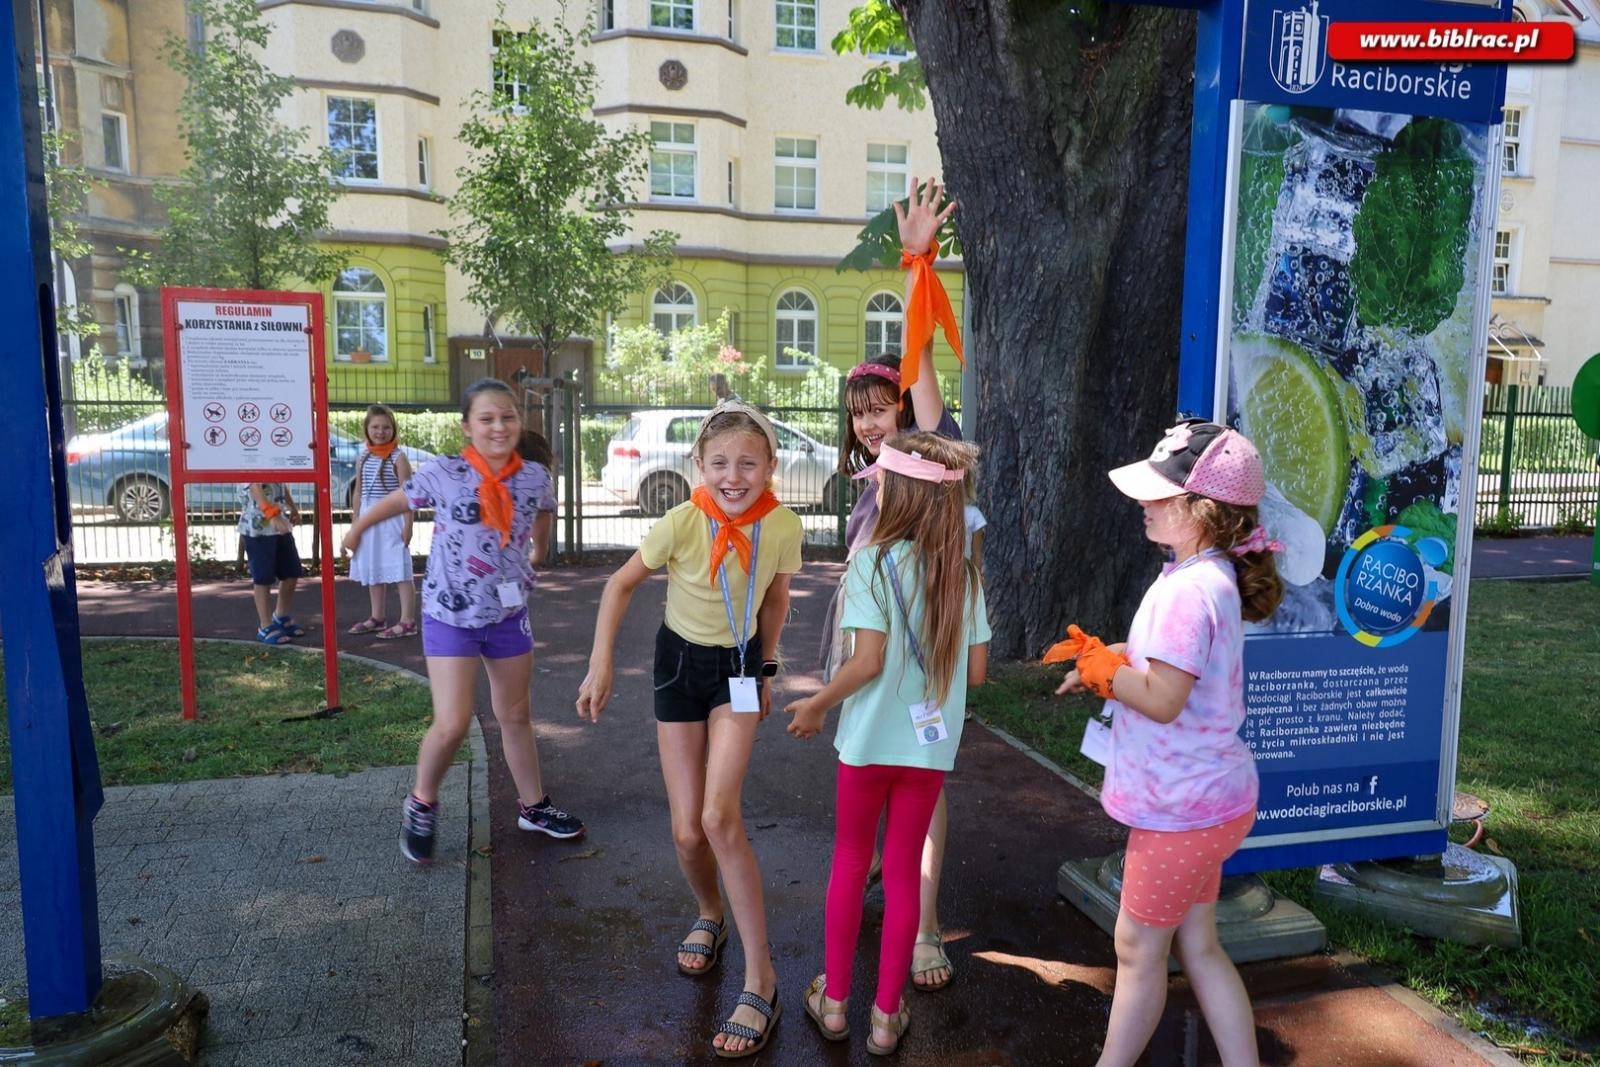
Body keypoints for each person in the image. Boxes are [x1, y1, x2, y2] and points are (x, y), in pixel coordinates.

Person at [1047, 419, 1284, 1067]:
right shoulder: (1206, 575)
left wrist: (1108, 674)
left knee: (1137, 947)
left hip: (1181, 812)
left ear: (1202, 509)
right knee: (1198, 944)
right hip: (1215, 802)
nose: (1145, 504)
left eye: (1160, 495)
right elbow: (1175, 665)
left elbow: (1162, 696)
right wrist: (1110, 655)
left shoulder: (1188, 590)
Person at [576, 400, 802, 1059]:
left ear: (770, 467)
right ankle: (710, 911)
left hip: (737, 666)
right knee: (685, 829)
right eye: (721, 463)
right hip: (679, 665)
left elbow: (779, 595)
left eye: (749, 463)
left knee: (719, 816)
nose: (735, 476)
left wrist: (766, 664)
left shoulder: (781, 525)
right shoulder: (681, 520)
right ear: (699, 466)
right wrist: (600, 665)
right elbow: (620, 585)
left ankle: (763, 979)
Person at [787, 431, 990, 1056]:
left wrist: (819, 703)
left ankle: (837, 1003)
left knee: (851, 864)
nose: (873, 486)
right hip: (928, 753)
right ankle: (884, 1015)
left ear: (899, 493)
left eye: (879, 481)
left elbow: (865, 662)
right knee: (902, 873)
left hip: (867, 745)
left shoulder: (872, 561)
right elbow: (978, 674)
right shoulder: (964, 573)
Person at [343, 378, 584, 865]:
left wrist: (537, 551)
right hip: (449, 615)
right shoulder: (444, 472)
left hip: (507, 614)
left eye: (508, 417)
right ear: (467, 426)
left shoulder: (535, 476)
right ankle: (422, 802)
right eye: (487, 418)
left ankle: (533, 807)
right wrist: (358, 527)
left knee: (515, 714)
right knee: (452, 723)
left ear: (519, 422)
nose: (499, 426)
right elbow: (398, 501)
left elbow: (543, 514)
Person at [827, 175, 967, 993]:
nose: (871, 422)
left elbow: (924, 378)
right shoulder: (870, 486)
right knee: (876, 778)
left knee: (923, 780)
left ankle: (927, 924)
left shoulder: (927, 451)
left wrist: (917, 264)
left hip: (930, 654)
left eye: (882, 408)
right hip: (875, 654)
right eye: (859, 413)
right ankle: (892, 886)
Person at [345, 404, 418, 639]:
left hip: (392, 518)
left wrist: (408, 526)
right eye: (375, 427)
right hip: (368, 516)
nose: (380, 431)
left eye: (386, 427)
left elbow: (408, 494)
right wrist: (356, 521)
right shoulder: (364, 456)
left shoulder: (398, 457)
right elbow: (358, 492)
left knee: (399, 569)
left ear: (393, 430)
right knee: (373, 565)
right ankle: (377, 616)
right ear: (366, 429)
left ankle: (408, 620)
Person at [239, 481, 307, 645]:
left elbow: (282, 485)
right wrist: (272, 515)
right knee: (263, 577)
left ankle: (280, 616)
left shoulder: (274, 460)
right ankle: (265, 625)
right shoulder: (250, 460)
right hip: (258, 529)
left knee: (291, 572)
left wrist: (293, 508)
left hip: (280, 525)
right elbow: (255, 487)